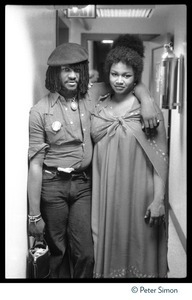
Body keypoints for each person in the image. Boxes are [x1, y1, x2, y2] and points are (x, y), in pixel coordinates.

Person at [27, 42, 160, 279]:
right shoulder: (39, 111)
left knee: (86, 253)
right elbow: (35, 165)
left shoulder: (92, 95)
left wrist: (148, 102)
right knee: (57, 251)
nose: (72, 75)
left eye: (77, 70)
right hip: (52, 185)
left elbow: (129, 81)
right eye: (65, 69)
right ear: (54, 73)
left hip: (83, 186)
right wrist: (34, 215)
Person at [91, 35, 169, 278]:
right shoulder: (99, 104)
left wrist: (158, 200)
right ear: (108, 73)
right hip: (107, 193)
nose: (119, 80)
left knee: (139, 244)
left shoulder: (146, 112)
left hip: (139, 193)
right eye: (115, 74)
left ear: (136, 76)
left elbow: (160, 160)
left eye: (126, 76)